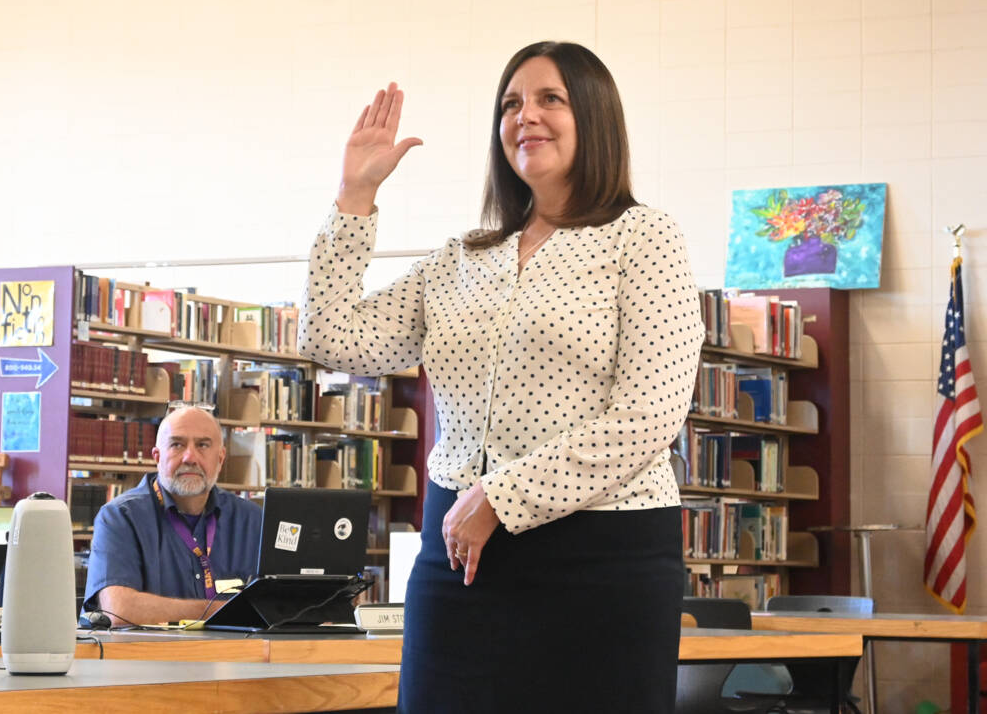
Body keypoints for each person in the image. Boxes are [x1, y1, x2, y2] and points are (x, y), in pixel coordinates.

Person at [298, 41, 705, 712]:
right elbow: (331, 335)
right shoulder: (460, 258)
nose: (526, 117)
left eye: (551, 99)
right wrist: (355, 196)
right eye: (511, 104)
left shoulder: (645, 237)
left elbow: (649, 416)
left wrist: (499, 498)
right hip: (458, 559)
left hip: (603, 557)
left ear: (594, 117)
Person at [83, 405, 262, 626]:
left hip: (241, 657)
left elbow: (281, 606)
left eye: (203, 445)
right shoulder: (120, 518)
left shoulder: (252, 521)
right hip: (150, 658)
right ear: (157, 457)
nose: (190, 457)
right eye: (177, 444)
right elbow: (119, 610)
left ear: (221, 458)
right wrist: (226, 610)